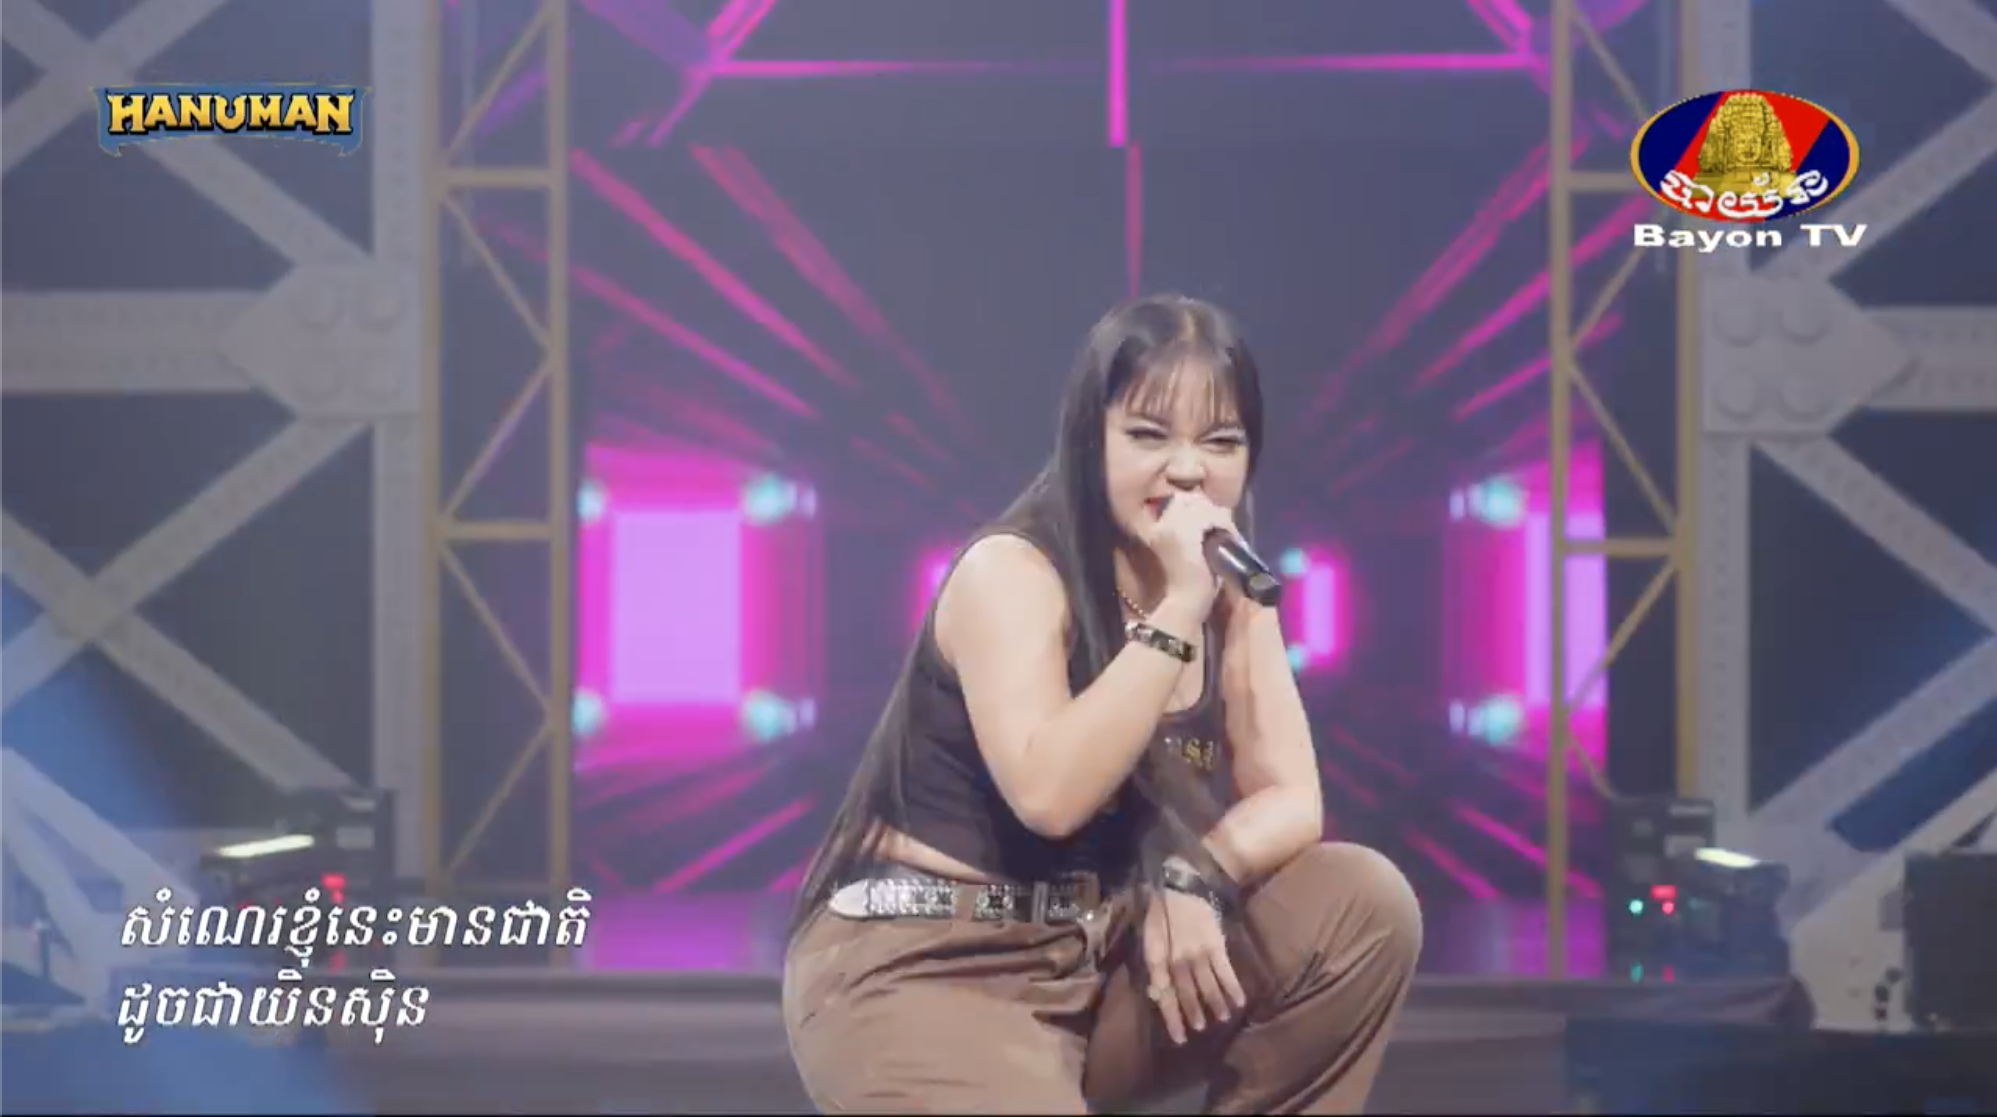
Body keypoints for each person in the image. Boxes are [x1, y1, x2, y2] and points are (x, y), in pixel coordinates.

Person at [783, 295, 1422, 1114]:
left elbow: (1292, 797)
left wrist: (1197, 877)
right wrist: (1177, 608)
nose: (1188, 470)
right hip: (925, 966)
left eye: (1220, 442)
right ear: (1091, 441)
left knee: (1361, 905)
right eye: (1149, 436)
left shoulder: (1233, 585)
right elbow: (1049, 795)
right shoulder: (1011, 573)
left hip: (1094, 955)